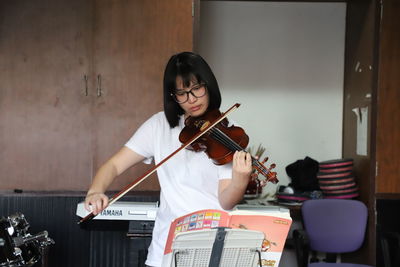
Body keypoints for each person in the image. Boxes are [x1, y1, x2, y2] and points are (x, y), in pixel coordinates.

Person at [84, 51, 252, 267]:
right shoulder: (158, 126)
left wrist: (240, 180)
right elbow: (114, 165)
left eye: (197, 89)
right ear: (173, 96)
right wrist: (95, 191)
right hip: (168, 248)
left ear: (208, 85)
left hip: (213, 247)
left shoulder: (228, 133)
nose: (191, 99)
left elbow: (226, 202)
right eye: (182, 93)